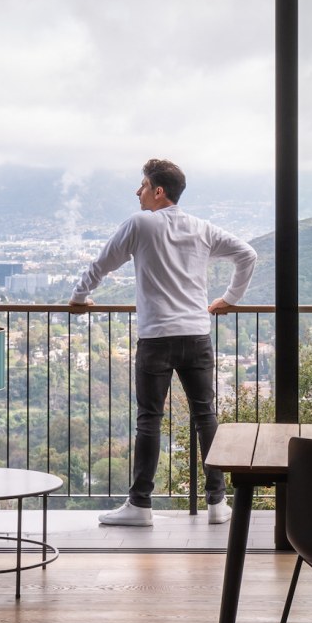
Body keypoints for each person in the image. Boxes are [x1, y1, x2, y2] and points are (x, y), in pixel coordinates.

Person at [69, 158, 257, 527]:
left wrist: (79, 298)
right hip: (197, 335)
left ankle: (140, 506)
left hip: (156, 338)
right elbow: (247, 254)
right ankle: (218, 503)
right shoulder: (201, 227)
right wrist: (230, 298)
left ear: (158, 191)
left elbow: (101, 264)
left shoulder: (140, 224)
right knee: (206, 416)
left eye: (141, 185)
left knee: (149, 420)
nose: (136, 192)